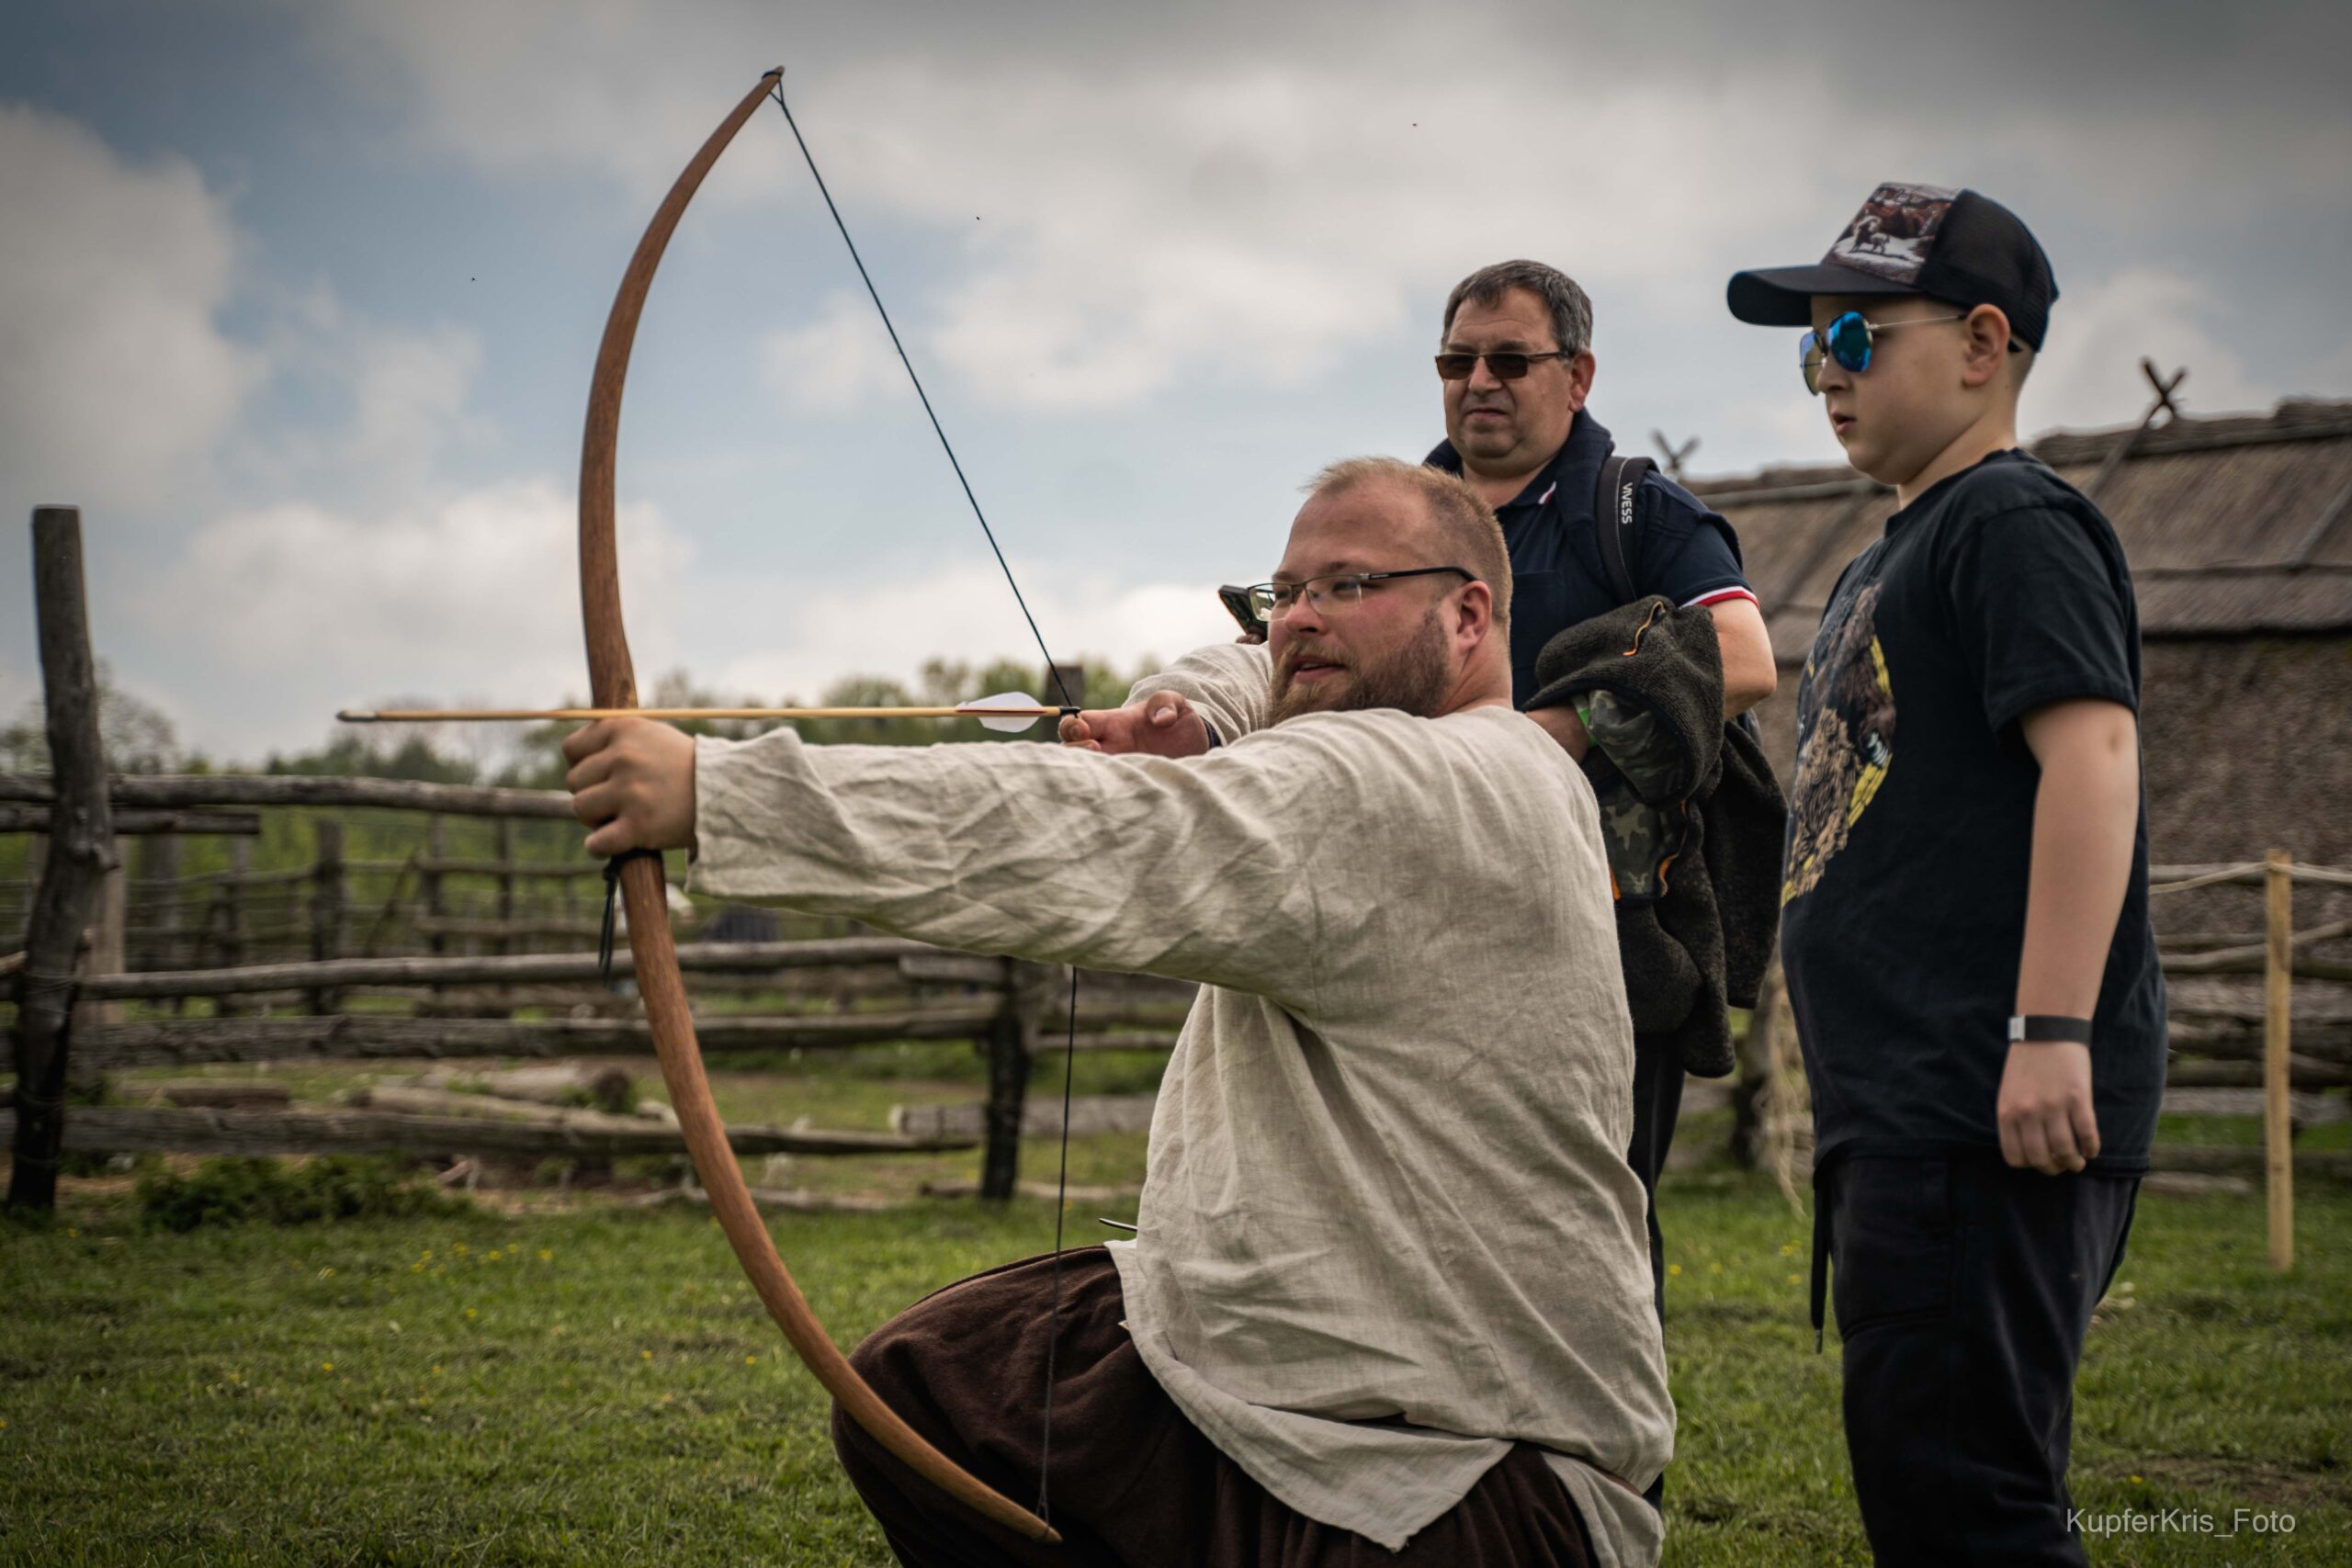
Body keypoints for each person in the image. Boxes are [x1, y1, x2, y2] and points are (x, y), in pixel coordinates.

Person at [562, 457, 1674, 1568]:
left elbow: (1108, 834)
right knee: (930, 1390)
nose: (1299, 619)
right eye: (1285, 591)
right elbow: (1252, 664)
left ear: (1468, 614)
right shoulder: (1420, 742)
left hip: (1473, 1475)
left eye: (1346, 586)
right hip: (1283, 1379)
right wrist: (1191, 714)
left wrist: (716, 795)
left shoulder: (1434, 781)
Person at [1066, 259, 1783, 1341]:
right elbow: (1289, 644)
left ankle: (1592, 1434)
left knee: (1584, 1206)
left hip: (1592, 914)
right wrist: (1197, 723)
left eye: (1509, 360)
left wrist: (1540, 740)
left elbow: (1742, 654)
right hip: (1406, 911)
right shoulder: (1402, 514)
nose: (1477, 381)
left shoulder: (1633, 508)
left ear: (1578, 376)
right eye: (1456, 362)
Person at [1725, 184, 2165, 1565]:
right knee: (1927, 1480)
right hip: (1911, 1106)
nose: (1827, 370)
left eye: (1858, 333)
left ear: (1983, 343)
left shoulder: (2011, 522)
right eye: (1813, 345)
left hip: (1980, 1096)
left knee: (1971, 1504)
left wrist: (2050, 1029)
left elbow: (2092, 755)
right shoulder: (1898, 546)